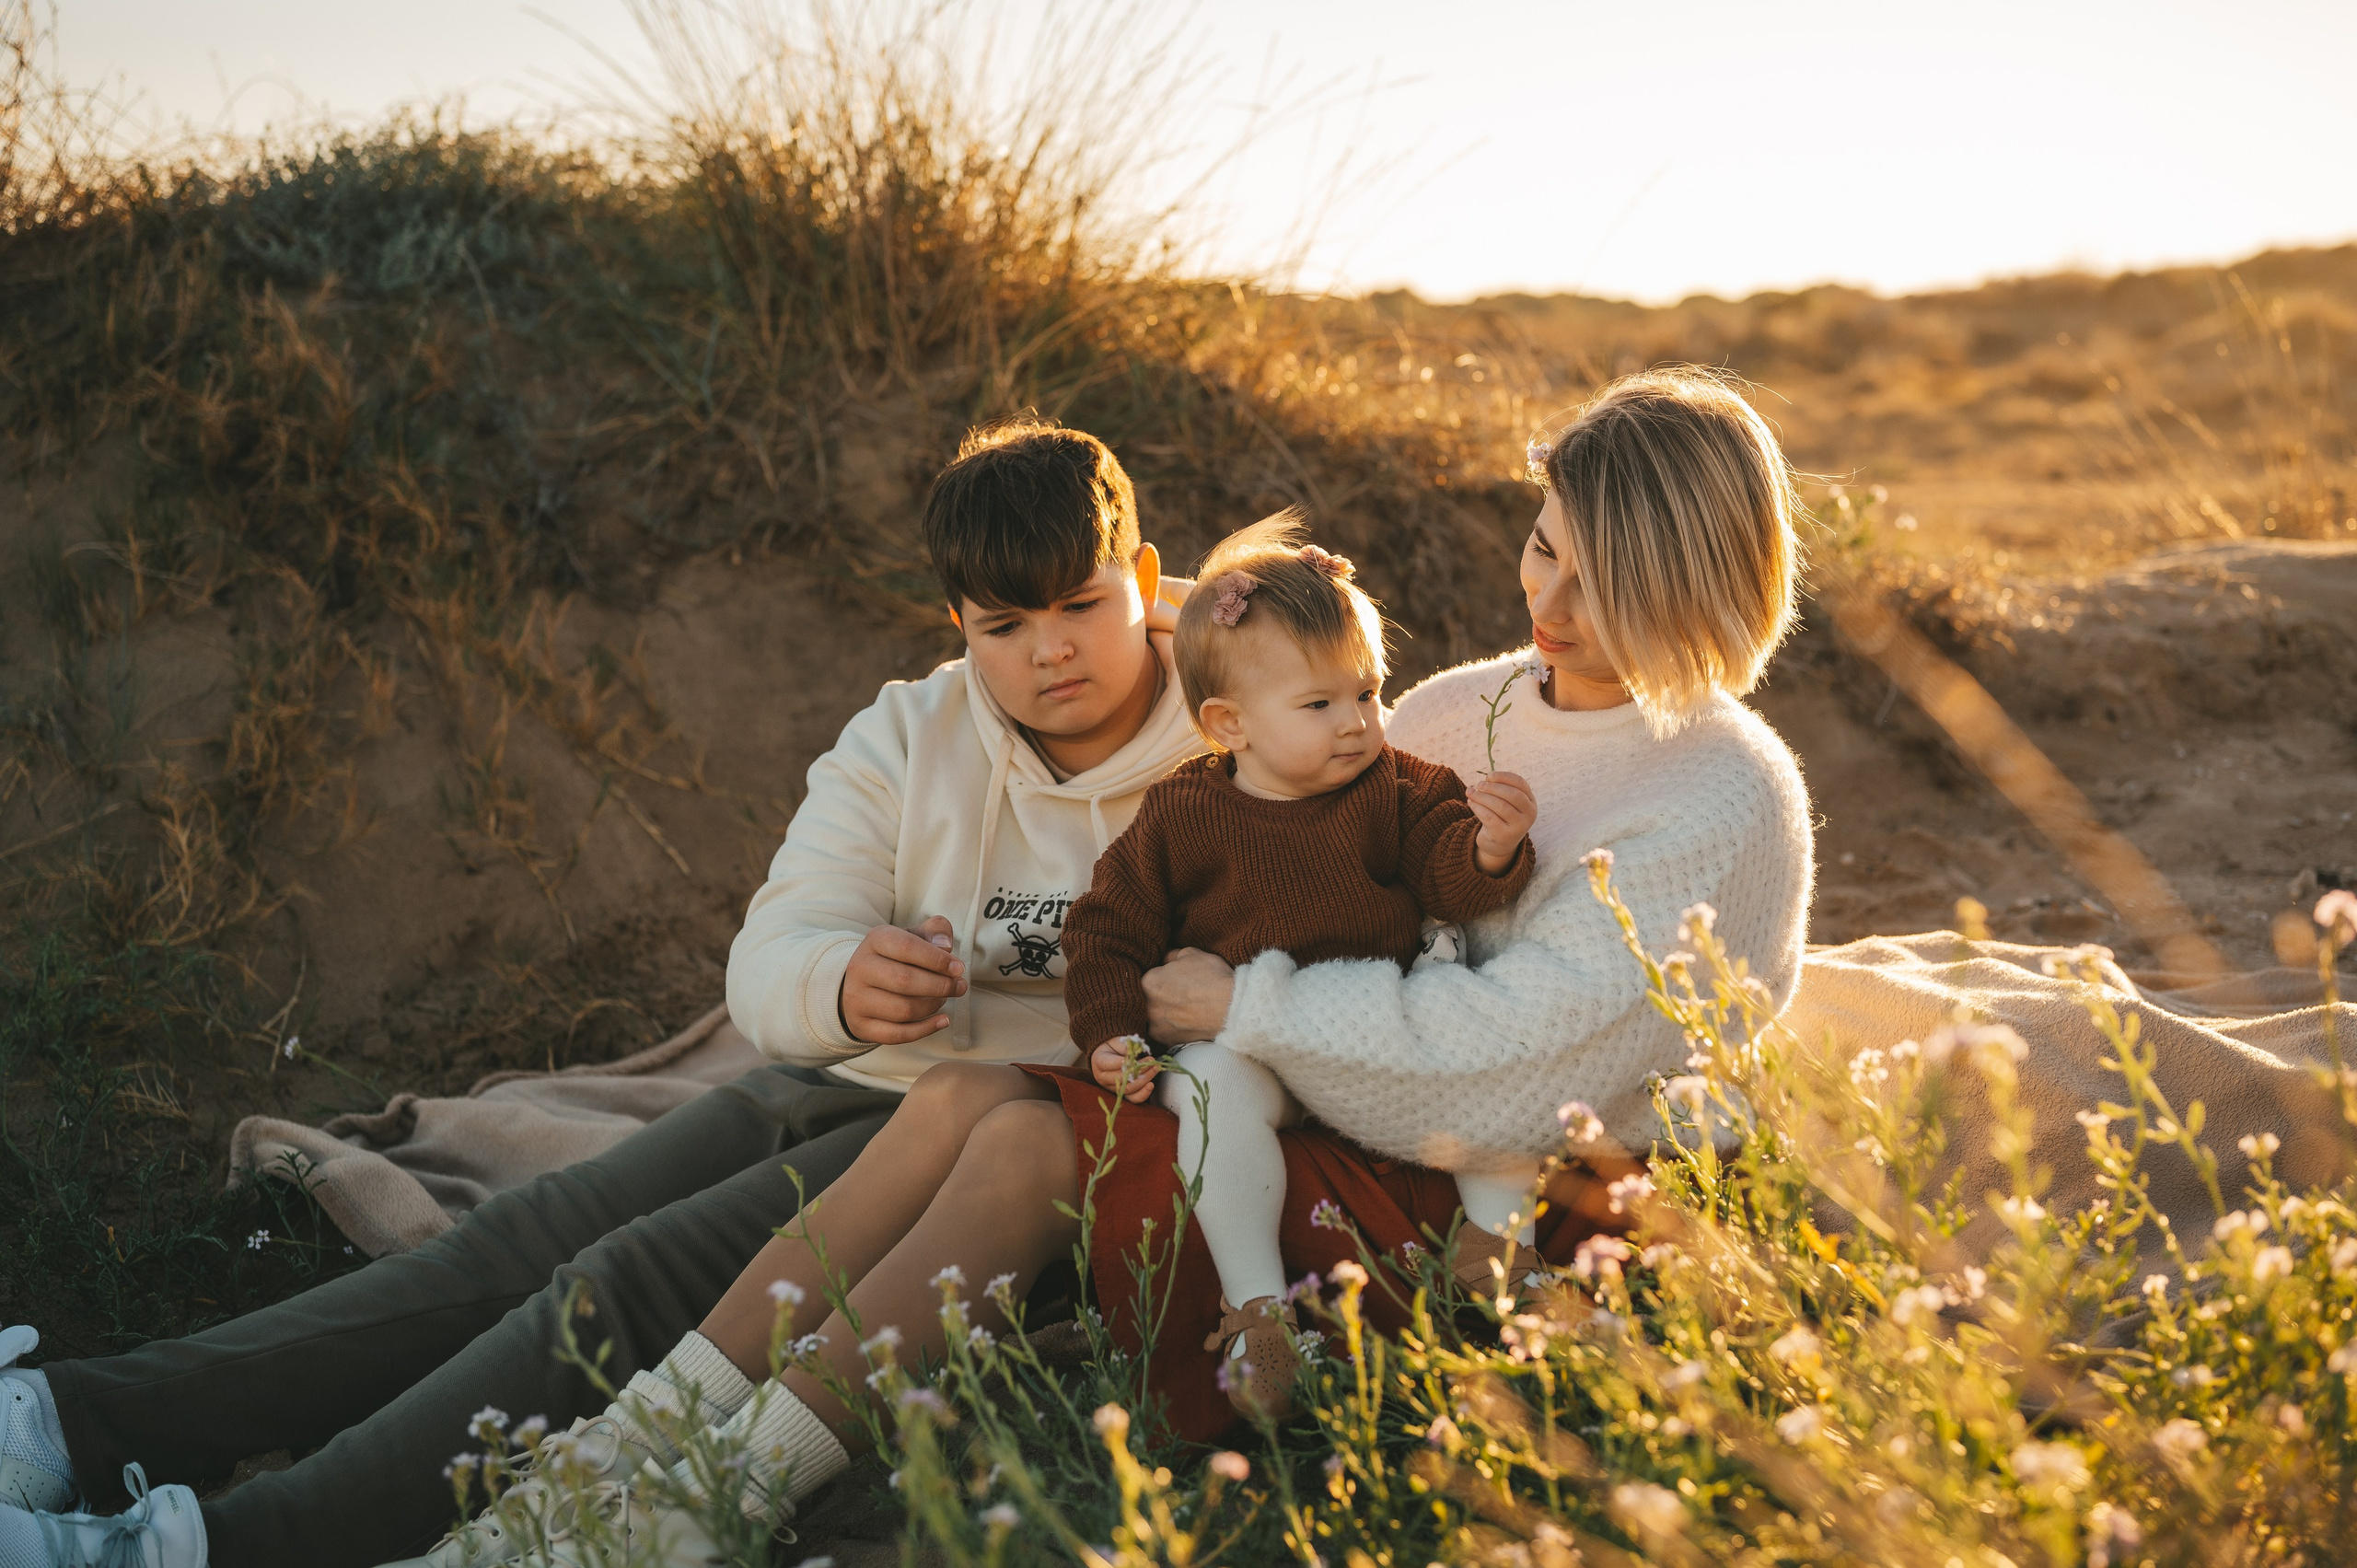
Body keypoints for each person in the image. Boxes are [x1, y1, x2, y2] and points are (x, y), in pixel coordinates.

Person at [383, 366, 1815, 1559]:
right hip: (1307, 1096)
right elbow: (1279, 761)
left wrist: (1239, 1000)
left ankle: (683, 1511)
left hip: (1489, 1192)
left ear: (1701, 585)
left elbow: (1515, 1071)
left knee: (1021, 1152)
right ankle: (622, 1451)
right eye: (1545, 542)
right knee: (960, 1099)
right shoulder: (1461, 701)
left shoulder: (1717, 790)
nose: (1550, 599)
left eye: (1602, 575)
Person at [0, 417, 1207, 1568]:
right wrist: (843, 981)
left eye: (1081, 604)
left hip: (1017, 1145)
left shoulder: (1232, 725)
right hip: (856, 1081)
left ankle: (214, 1542)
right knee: (527, 1233)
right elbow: (775, 950)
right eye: (1004, 622)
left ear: (1143, 575)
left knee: (615, 1286)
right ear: (957, 619)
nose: (1049, 647)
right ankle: (62, 1420)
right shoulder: (912, 730)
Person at [1059, 513, 1540, 1422]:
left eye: (1365, 692)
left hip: (1377, 1026)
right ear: (1227, 723)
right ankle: (1259, 1315)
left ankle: (1500, 1247)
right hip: (1253, 1048)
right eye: (1319, 705)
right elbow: (1104, 929)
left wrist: (1486, 848)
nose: (1357, 723)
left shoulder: (1393, 786)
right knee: (1207, 1089)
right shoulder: (1182, 816)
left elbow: (1447, 866)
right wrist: (1110, 1031)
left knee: (1485, 1040)